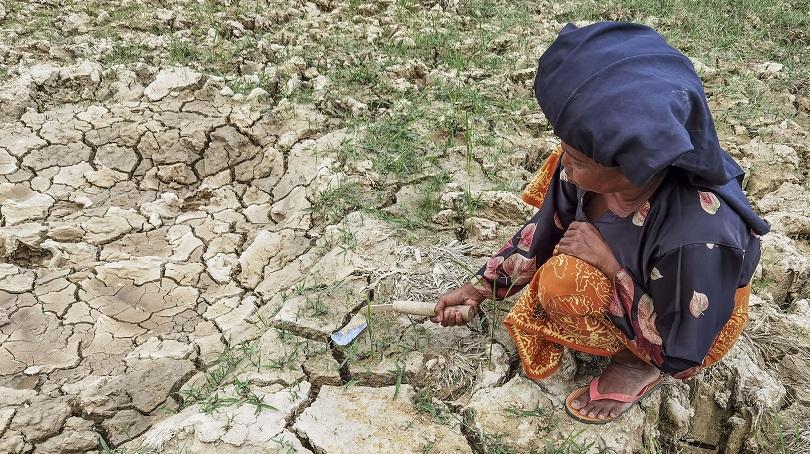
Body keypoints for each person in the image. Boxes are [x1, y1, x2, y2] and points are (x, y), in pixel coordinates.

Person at [430, 22, 768, 424]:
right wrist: (481, 287)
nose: (565, 166)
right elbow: (547, 225)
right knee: (563, 222)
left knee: (566, 281)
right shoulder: (591, 162)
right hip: (649, 284)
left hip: (693, 324)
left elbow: (686, 348)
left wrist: (610, 266)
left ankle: (638, 363)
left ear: (636, 166)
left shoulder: (697, 236)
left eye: (580, 158)